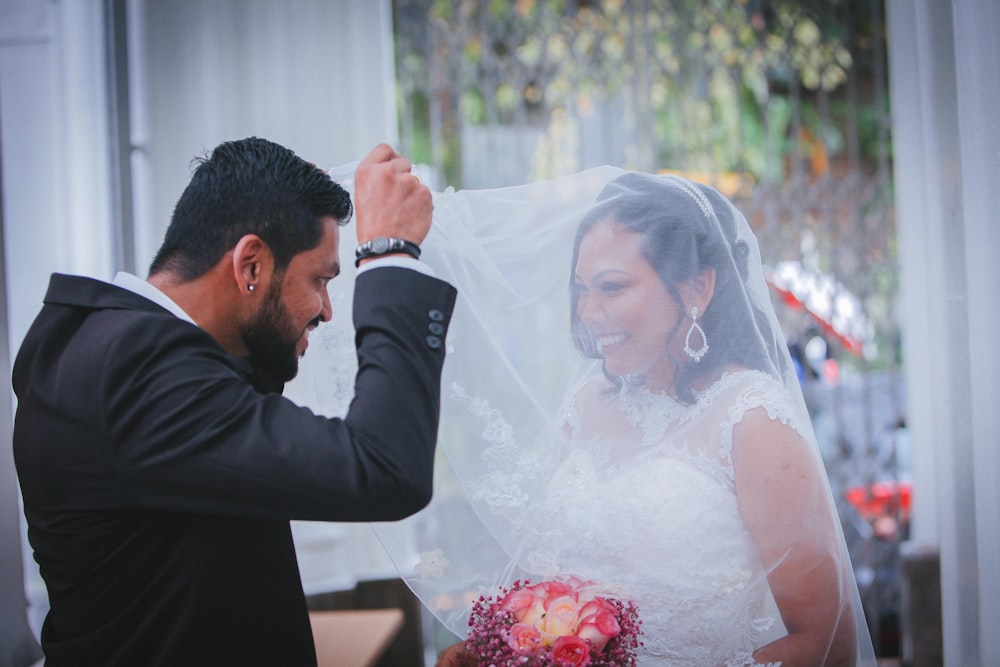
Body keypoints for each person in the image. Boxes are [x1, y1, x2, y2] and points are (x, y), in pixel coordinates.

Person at [334, 169, 877, 666]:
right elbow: (560, 580)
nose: (589, 314)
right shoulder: (587, 404)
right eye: (582, 289)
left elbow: (824, 638)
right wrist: (502, 648)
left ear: (697, 287)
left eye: (612, 287)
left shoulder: (752, 419)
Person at [12, 137, 457, 665]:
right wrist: (390, 256)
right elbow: (384, 468)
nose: (327, 310)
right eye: (320, 279)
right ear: (250, 266)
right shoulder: (137, 372)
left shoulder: (107, 348)